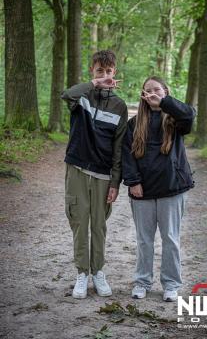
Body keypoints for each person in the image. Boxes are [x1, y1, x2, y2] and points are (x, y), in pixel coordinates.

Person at [122, 76, 196, 302]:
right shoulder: (134, 124)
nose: (152, 93)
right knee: (144, 240)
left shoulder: (175, 119)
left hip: (171, 188)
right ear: (143, 95)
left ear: (165, 91)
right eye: (148, 91)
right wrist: (133, 181)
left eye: (157, 89)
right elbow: (127, 153)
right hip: (142, 191)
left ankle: (171, 284)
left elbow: (189, 114)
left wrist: (163, 102)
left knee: (170, 238)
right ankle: (142, 282)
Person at [61, 50, 128, 299]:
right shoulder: (82, 96)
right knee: (79, 223)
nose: (104, 75)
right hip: (77, 169)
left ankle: (98, 272)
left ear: (115, 73)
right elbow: (66, 94)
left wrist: (115, 181)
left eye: (109, 71)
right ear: (92, 71)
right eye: (99, 71)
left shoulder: (120, 106)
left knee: (98, 226)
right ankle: (81, 273)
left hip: (102, 175)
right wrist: (93, 84)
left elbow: (119, 148)